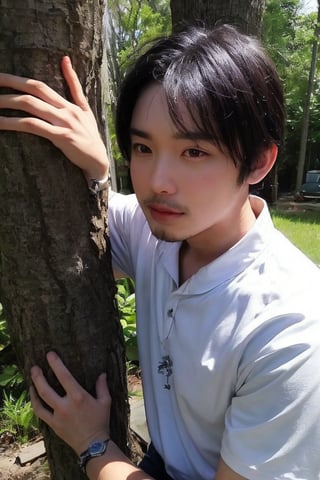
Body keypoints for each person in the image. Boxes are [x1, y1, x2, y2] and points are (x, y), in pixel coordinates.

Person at [0, 24, 320, 480]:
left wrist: (95, 448)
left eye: (193, 151)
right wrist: (97, 167)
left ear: (258, 162)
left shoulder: (291, 327)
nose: (156, 182)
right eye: (143, 147)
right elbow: (81, 219)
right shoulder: (157, 232)